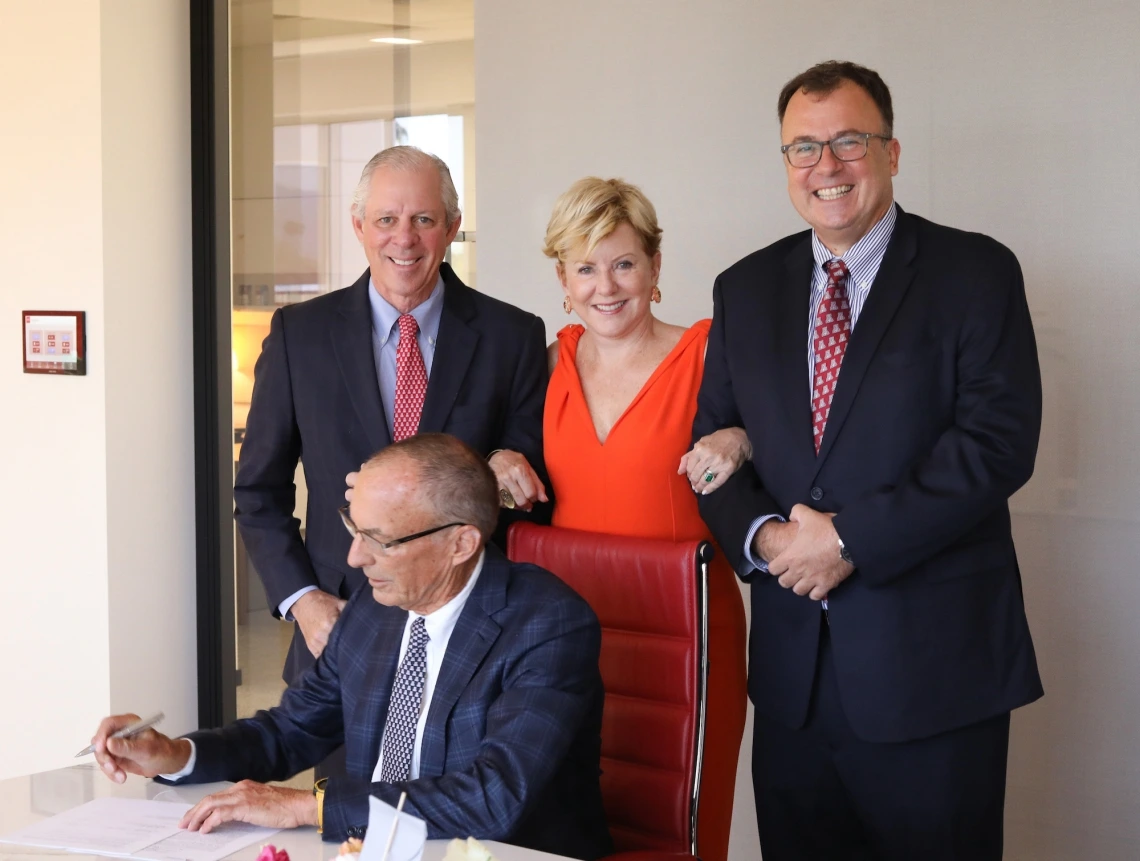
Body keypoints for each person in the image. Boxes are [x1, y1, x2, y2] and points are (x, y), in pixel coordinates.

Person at [694, 60, 1043, 860]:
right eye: (803, 148)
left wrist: (846, 540)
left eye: (848, 141)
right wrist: (771, 541)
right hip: (793, 682)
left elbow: (996, 444)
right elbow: (713, 447)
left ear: (891, 150)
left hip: (934, 675)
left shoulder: (976, 272)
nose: (826, 166)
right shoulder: (743, 287)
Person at [90, 434, 611, 859]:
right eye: (352, 528)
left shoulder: (547, 623)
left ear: (461, 543)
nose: (356, 558)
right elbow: (290, 730)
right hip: (371, 850)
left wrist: (310, 806)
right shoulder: (375, 604)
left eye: (380, 540)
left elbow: (494, 797)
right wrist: (177, 754)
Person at [495, 177, 749, 861]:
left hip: (687, 630)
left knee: (677, 828)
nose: (606, 285)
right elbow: (499, 459)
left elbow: (776, 439)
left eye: (624, 262)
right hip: (568, 632)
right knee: (572, 820)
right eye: (586, 267)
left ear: (656, 268)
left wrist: (739, 438)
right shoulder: (547, 363)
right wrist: (497, 459)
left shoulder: (709, 353)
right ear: (563, 278)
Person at [234, 146, 549, 689]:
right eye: (386, 220)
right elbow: (258, 491)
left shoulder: (512, 337)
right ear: (359, 226)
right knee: (338, 779)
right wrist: (305, 603)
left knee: (466, 779)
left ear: (451, 227)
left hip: (474, 638)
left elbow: (533, 476)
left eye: (423, 219)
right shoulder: (298, 336)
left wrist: (502, 463)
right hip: (336, 631)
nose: (404, 239)